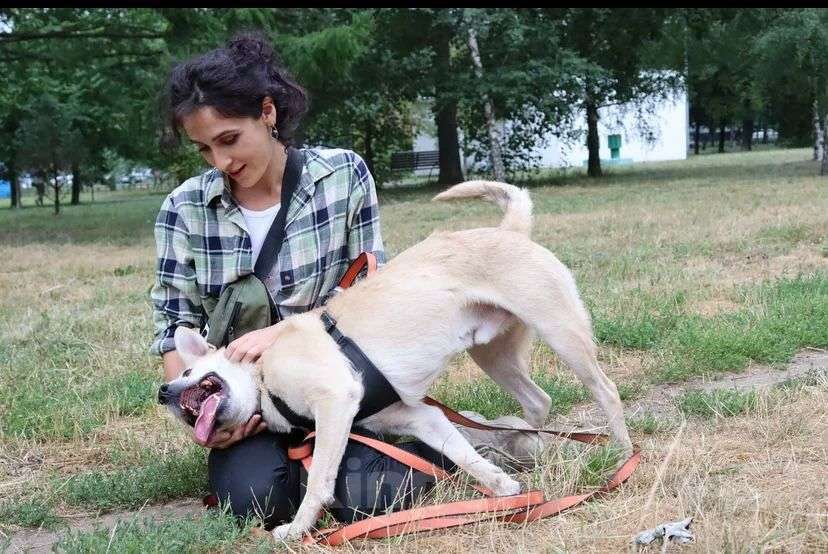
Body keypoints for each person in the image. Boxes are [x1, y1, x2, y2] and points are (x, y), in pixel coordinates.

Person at [149, 31, 464, 529]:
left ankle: (437, 453)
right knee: (254, 501)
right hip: (247, 404)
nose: (221, 161)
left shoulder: (342, 175)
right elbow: (174, 323)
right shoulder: (183, 209)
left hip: (336, 381)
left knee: (368, 495)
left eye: (229, 139)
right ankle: (330, 471)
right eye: (204, 149)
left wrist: (281, 332)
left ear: (268, 112)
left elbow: (368, 289)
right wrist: (198, 414)